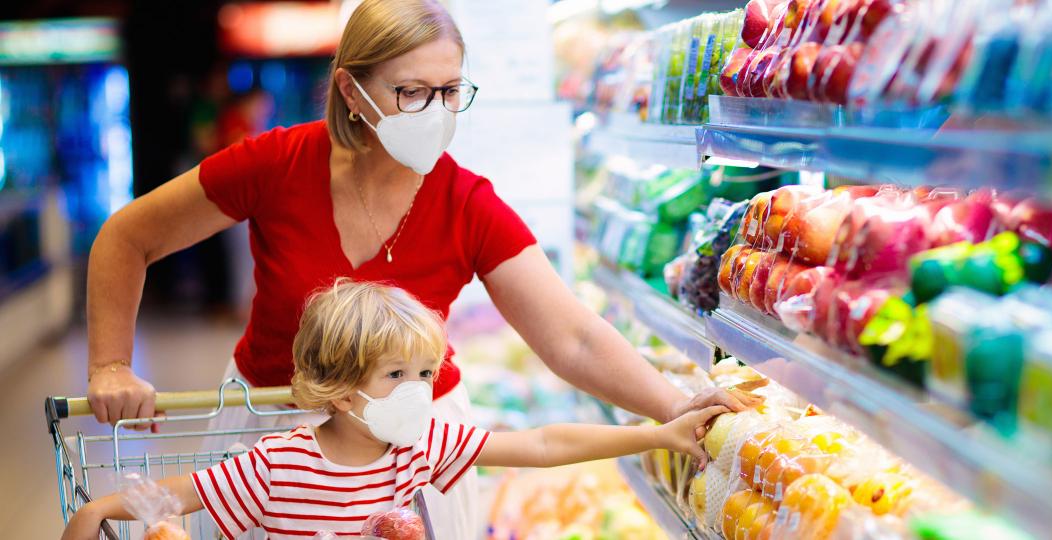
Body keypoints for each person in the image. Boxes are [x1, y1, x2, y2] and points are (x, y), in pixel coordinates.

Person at [84, 0, 747, 536]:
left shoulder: (466, 203)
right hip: (269, 435)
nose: (436, 111)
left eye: (451, 90)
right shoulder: (277, 164)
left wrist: (676, 406)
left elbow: (571, 336)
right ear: (351, 89)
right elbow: (127, 237)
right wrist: (111, 364)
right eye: (410, 92)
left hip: (411, 444)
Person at [63, 280, 727, 539]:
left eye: (426, 372)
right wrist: (96, 510)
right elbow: (172, 498)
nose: (421, 389)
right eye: (398, 375)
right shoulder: (280, 463)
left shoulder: (421, 443)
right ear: (344, 390)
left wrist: (655, 434)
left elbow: (542, 444)